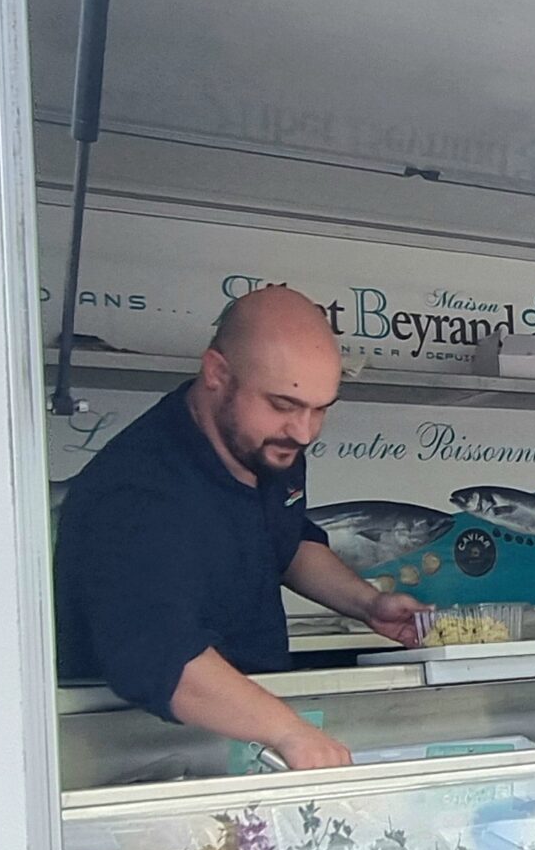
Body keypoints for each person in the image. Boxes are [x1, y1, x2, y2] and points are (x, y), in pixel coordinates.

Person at [54, 285, 422, 769]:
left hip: (245, 735)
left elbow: (286, 542)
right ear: (217, 373)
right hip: (141, 750)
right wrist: (289, 732)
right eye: (283, 405)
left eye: (321, 408)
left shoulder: (267, 445)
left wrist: (367, 604)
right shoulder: (139, 492)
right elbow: (166, 662)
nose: (303, 431)